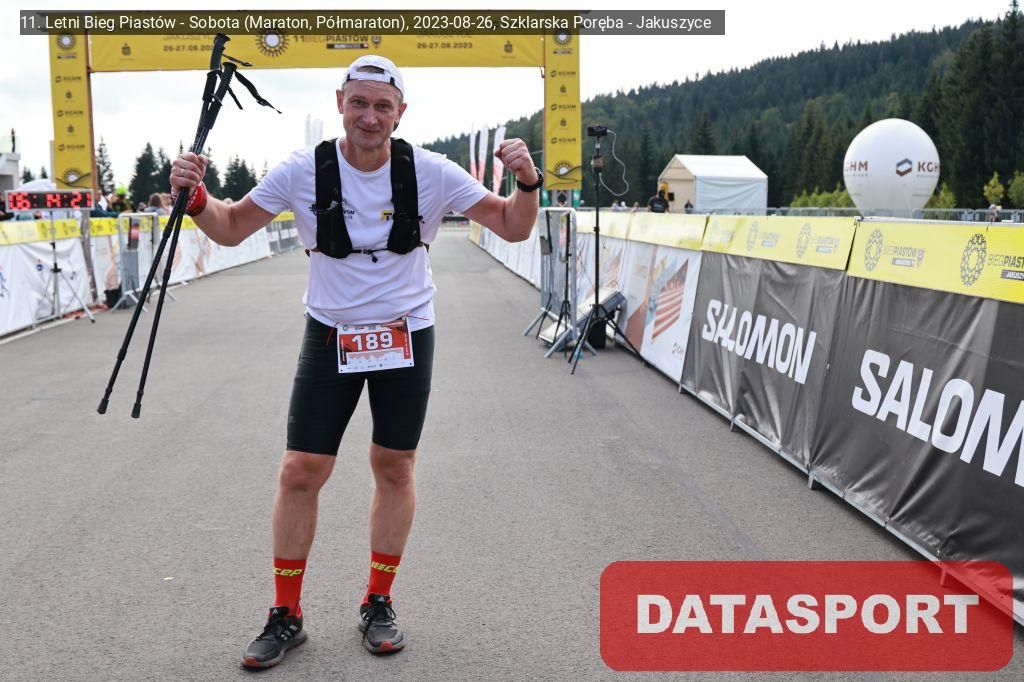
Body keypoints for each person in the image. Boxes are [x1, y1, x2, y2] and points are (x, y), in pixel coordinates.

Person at [169, 54, 540, 669]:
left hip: (405, 333)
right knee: (301, 469)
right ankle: (286, 612)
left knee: (394, 466)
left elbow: (513, 226)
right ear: (341, 102)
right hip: (331, 331)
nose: (370, 117)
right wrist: (197, 196)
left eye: (382, 106)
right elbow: (230, 227)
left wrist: (526, 183)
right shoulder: (302, 170)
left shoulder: (431, 171)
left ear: (400, 112)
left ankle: (378, 601)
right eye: (359, 103)